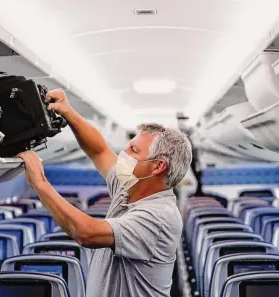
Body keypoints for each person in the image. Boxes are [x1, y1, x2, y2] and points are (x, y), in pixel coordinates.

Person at [18, 89, 193, 297]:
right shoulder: (130, 188)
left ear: (157, 167)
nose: (123, 154)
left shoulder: (160, 216)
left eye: (133, 150)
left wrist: (40, 183)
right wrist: (68, 112)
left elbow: (86, 233)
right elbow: (99, 150)